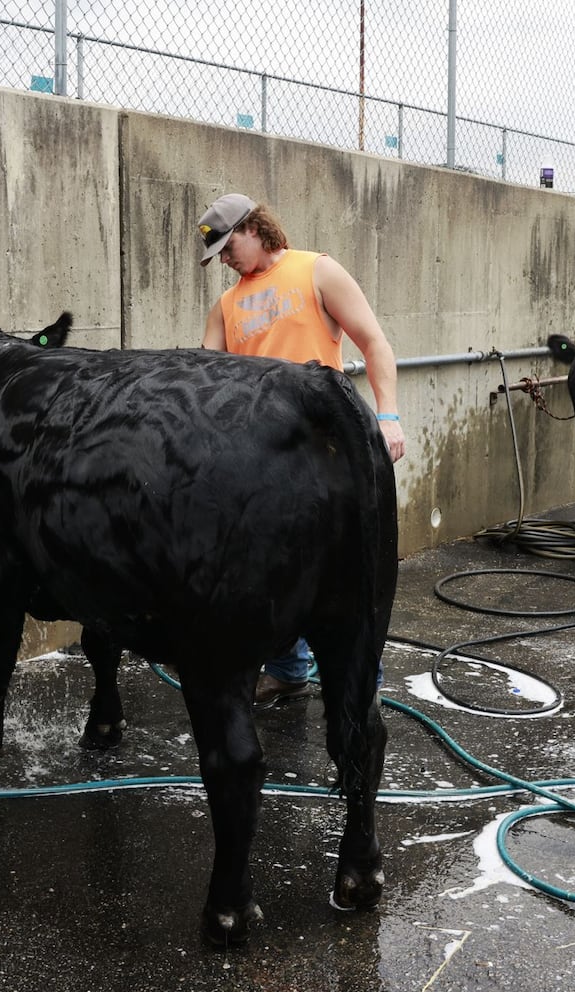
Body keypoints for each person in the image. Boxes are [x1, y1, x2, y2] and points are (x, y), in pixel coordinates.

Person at [197, 192, 404, 709]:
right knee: (271, 568)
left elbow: (373, 342)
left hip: (327, 448)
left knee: (344, 572)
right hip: (262, 459)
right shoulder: (224, 307)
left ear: (254, 227)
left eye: (227, 246)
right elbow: (203, 386)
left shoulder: (318, 271)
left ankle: (360, 685)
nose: (224, 260)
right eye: (217, 253)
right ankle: (288, 671)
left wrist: (389, 416)